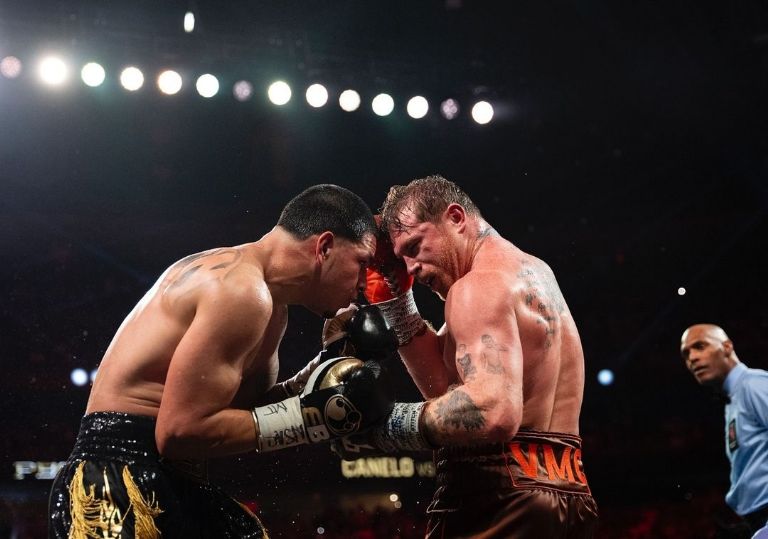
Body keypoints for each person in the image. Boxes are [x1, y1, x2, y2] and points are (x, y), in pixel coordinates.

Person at [48, 184, 397, 538]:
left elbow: (238, 413)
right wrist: (315, 417)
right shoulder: (240, 291)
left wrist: (323, 367)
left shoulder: (272, 306)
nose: (364, 285)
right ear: (324, 247)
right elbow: (179, 432)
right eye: (362, 263)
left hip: (168, 476)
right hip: (117, 479)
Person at [334, 175, 598, 538]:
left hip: (497, 495)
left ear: (456, 218)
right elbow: (446, 386)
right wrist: (397, 305)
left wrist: (383, 429)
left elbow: (491, 411)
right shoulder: (534, 273)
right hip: (570, 493)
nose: (409, 268)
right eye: (401, 258)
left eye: (414, 247)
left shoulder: (475, 287)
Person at [680, 324, 768, 538]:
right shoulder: (733, 398)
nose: (692, 358)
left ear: (727, 347)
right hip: (755, 519)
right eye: (686, 354)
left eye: (700, 346)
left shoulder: (754, 385)